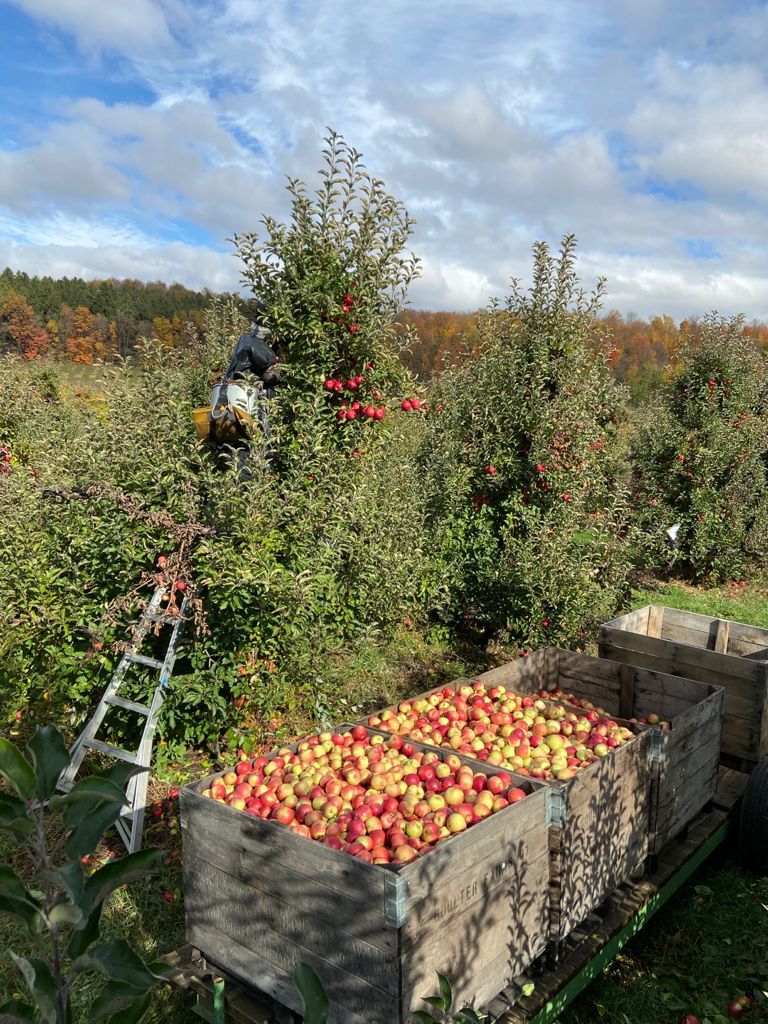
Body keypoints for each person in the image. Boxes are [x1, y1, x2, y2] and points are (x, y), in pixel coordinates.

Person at [211, 319, 280, 475]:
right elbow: (271, 374)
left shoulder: (244, 341)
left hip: (232, 413)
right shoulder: (254, 342)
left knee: (235, 459)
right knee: (252, 457)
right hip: (248, 410)